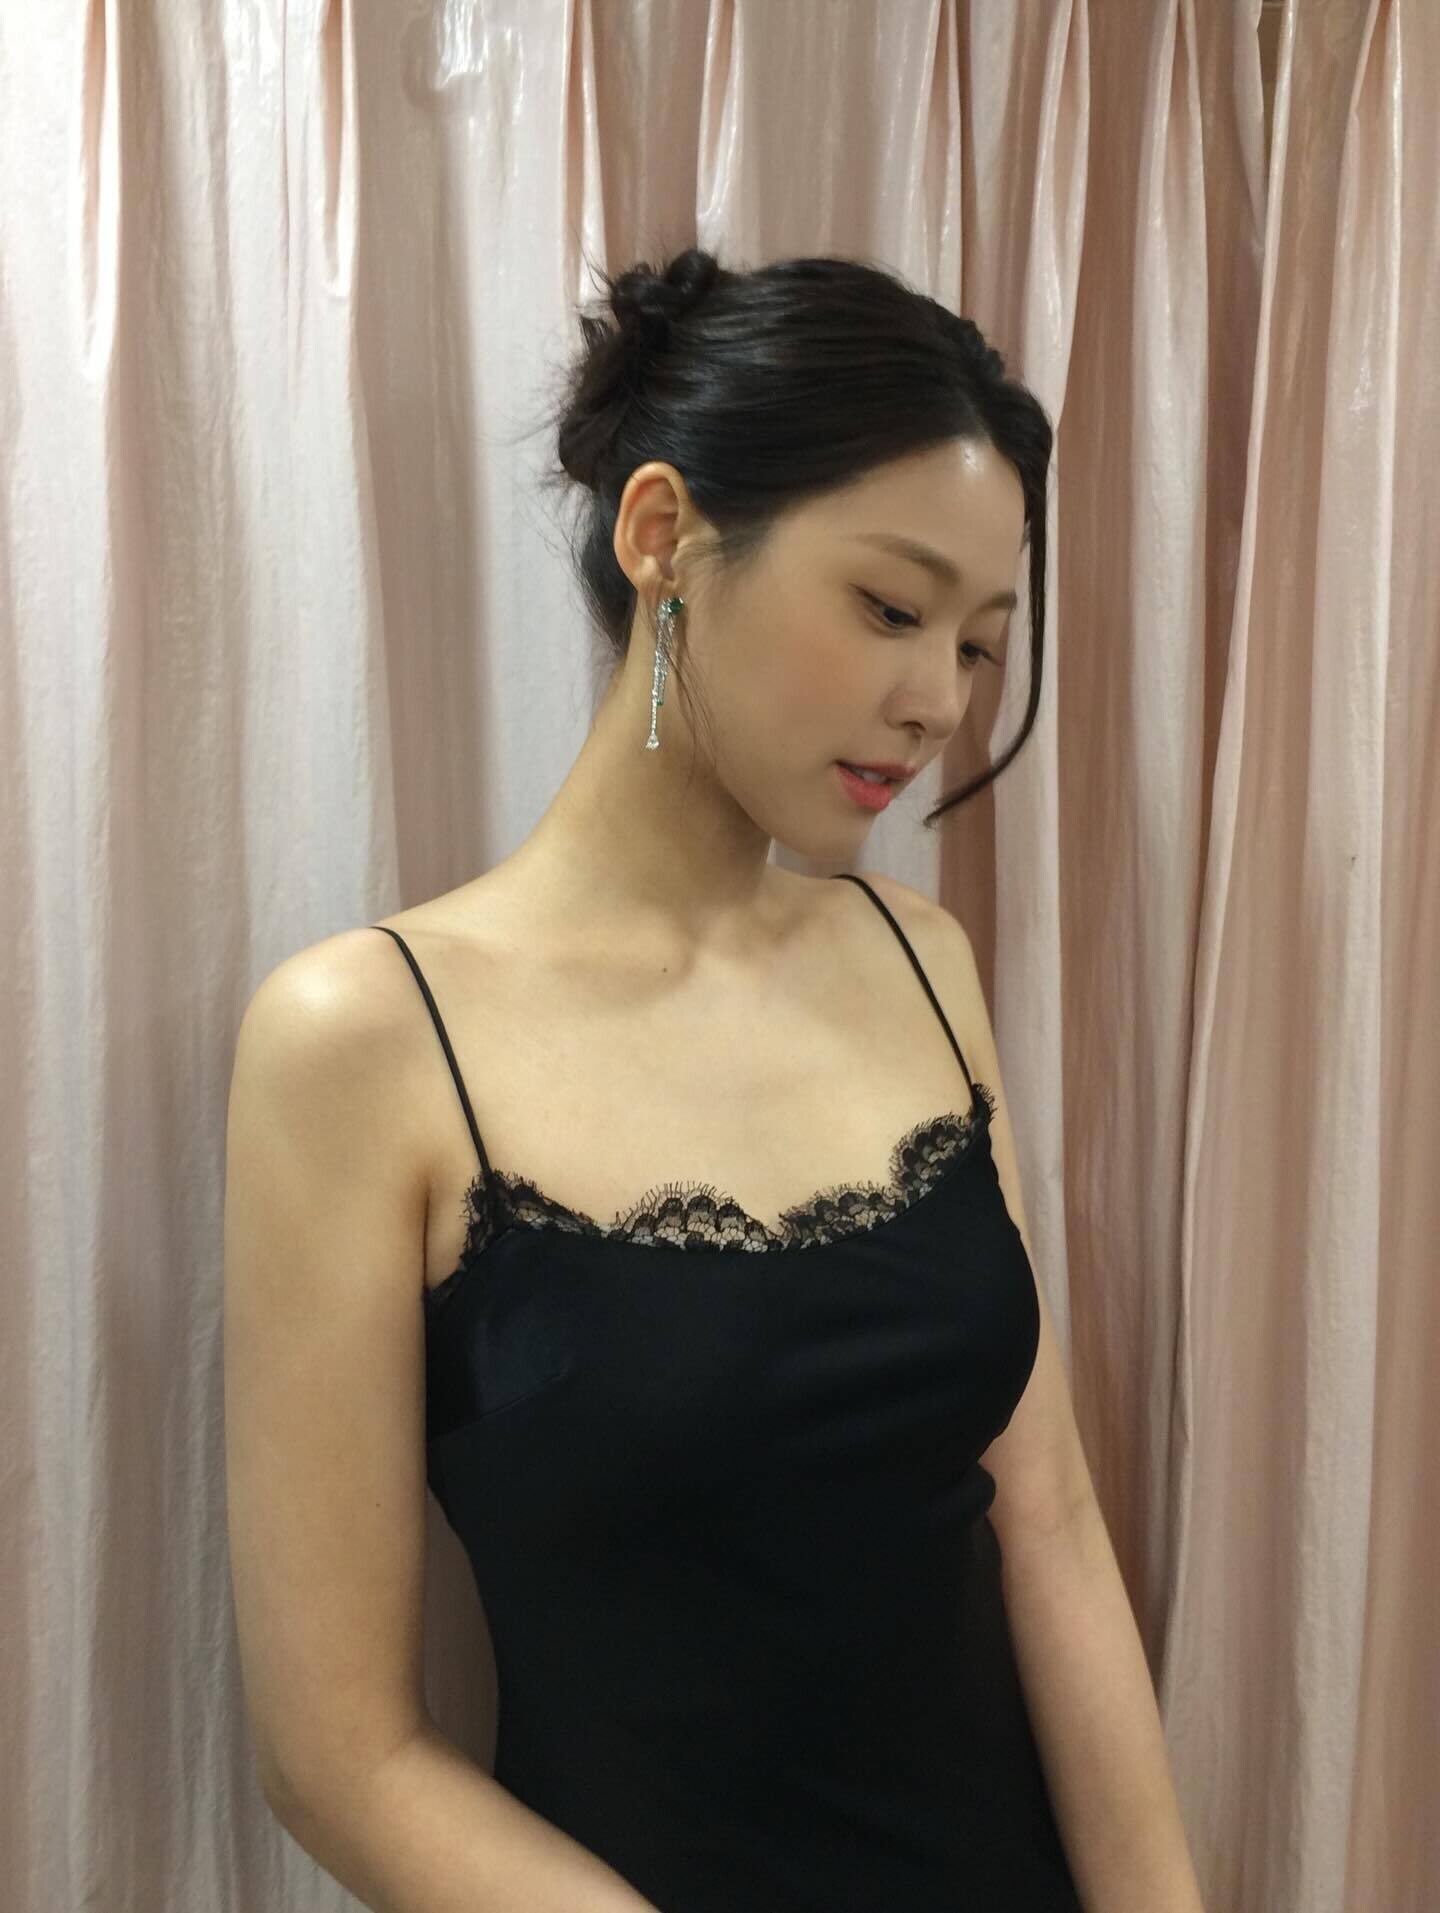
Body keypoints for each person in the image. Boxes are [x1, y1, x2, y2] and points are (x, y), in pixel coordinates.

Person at [224, 249, 1195, 1911]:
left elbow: (1048, 1522)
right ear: (662, 533)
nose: (937, 703)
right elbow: (338, 1749)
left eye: (978, 644)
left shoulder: (919, 960)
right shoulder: (365, 1040)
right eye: (890, 608)